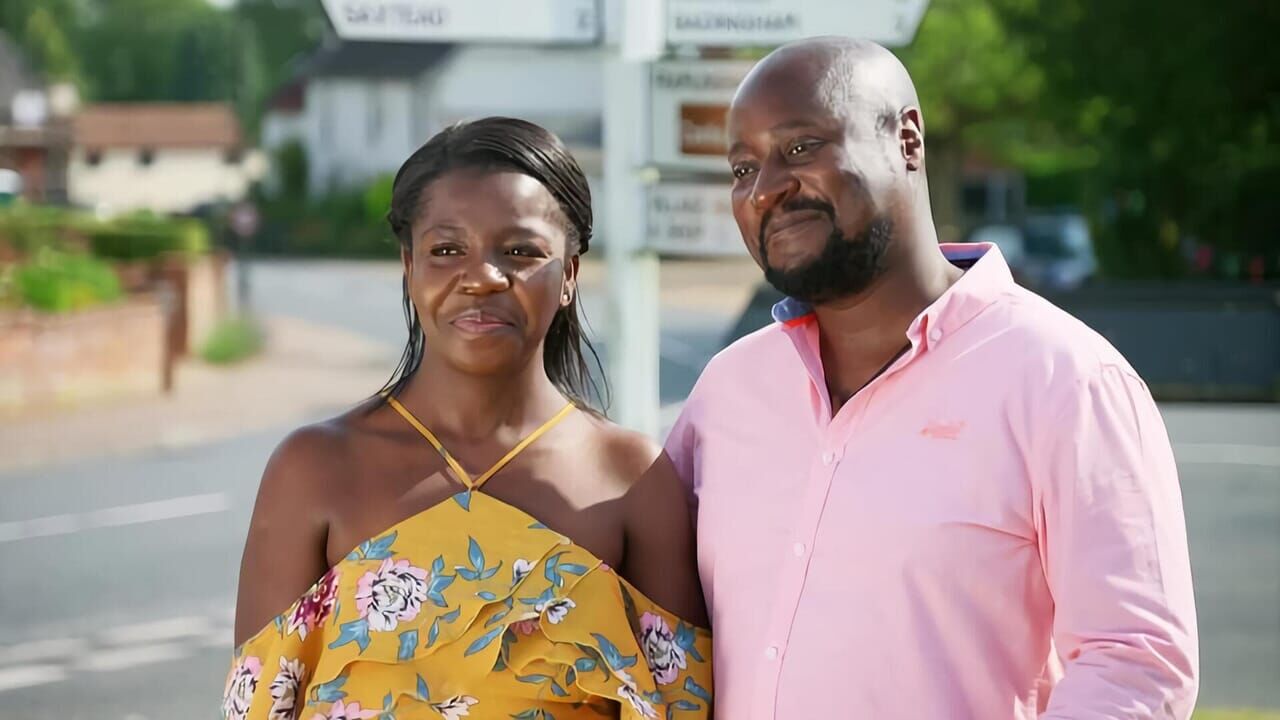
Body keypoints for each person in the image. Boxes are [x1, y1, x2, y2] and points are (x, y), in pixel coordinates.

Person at [665, 37, 1197, 719]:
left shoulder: (1065, 379)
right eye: (743, 168)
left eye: (800, 148)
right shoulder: (728, 391)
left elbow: (1135, 664)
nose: (766, 188)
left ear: (907, 141)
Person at [225, 117, 711, 720]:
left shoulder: (631, 477)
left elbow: (683, 705)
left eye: (521, 251)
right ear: (409, 267)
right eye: (447, 250)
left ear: (569, 275)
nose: (481, 278)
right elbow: (259, 704)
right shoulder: (314, 468)